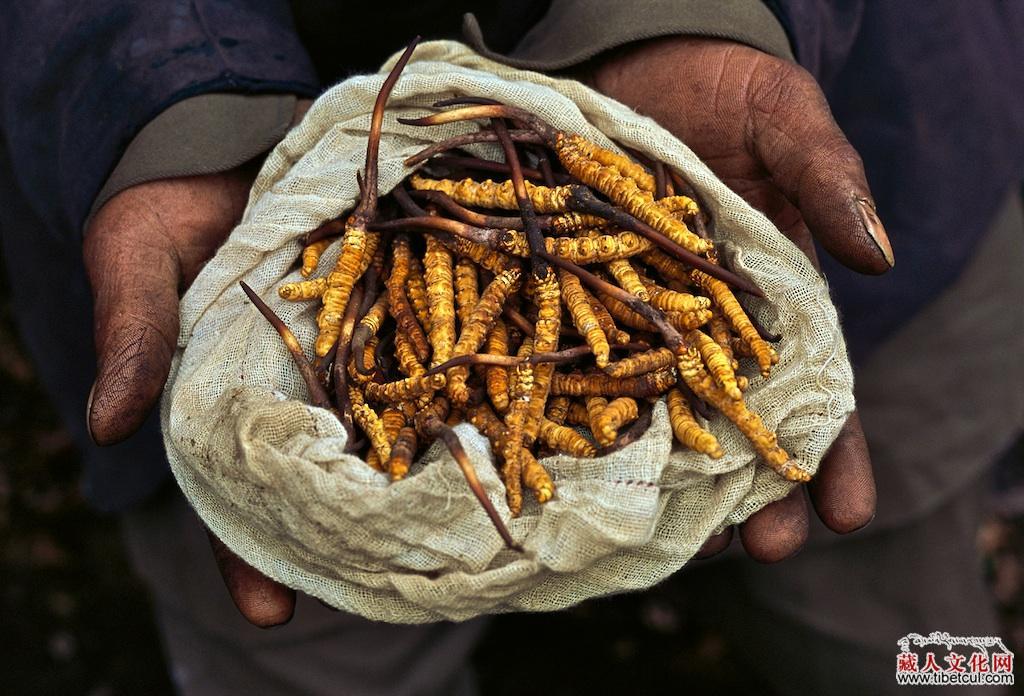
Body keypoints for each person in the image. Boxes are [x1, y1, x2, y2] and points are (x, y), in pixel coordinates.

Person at [0, 2, 1020, 694]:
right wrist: (171, 103)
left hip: (865, 124)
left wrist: (693, 8)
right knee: (313, 623)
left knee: (897, 633)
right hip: (215, 167)